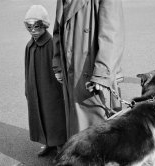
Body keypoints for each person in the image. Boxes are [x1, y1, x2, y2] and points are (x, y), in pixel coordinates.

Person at [52, 0, 125, 138]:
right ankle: (77, 154)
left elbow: (112, 34)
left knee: (96, 121)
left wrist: (101, 73)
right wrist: (58, 64)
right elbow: (58, 30)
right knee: (75, 118)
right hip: (70, 66)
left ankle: (93, 157)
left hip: (92, 68)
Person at [24, 5, 66, 156]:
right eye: (29, 27)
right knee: (40, 115)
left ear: (45, 25)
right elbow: (26, 69)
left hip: (51, 89)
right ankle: (49, 143)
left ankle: (61, 148)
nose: (33, 30)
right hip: (35, 88)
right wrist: (27, 88)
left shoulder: (51, 44)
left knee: (54, 117)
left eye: (36, 26)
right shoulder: (29, 45)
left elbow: (59, 66)